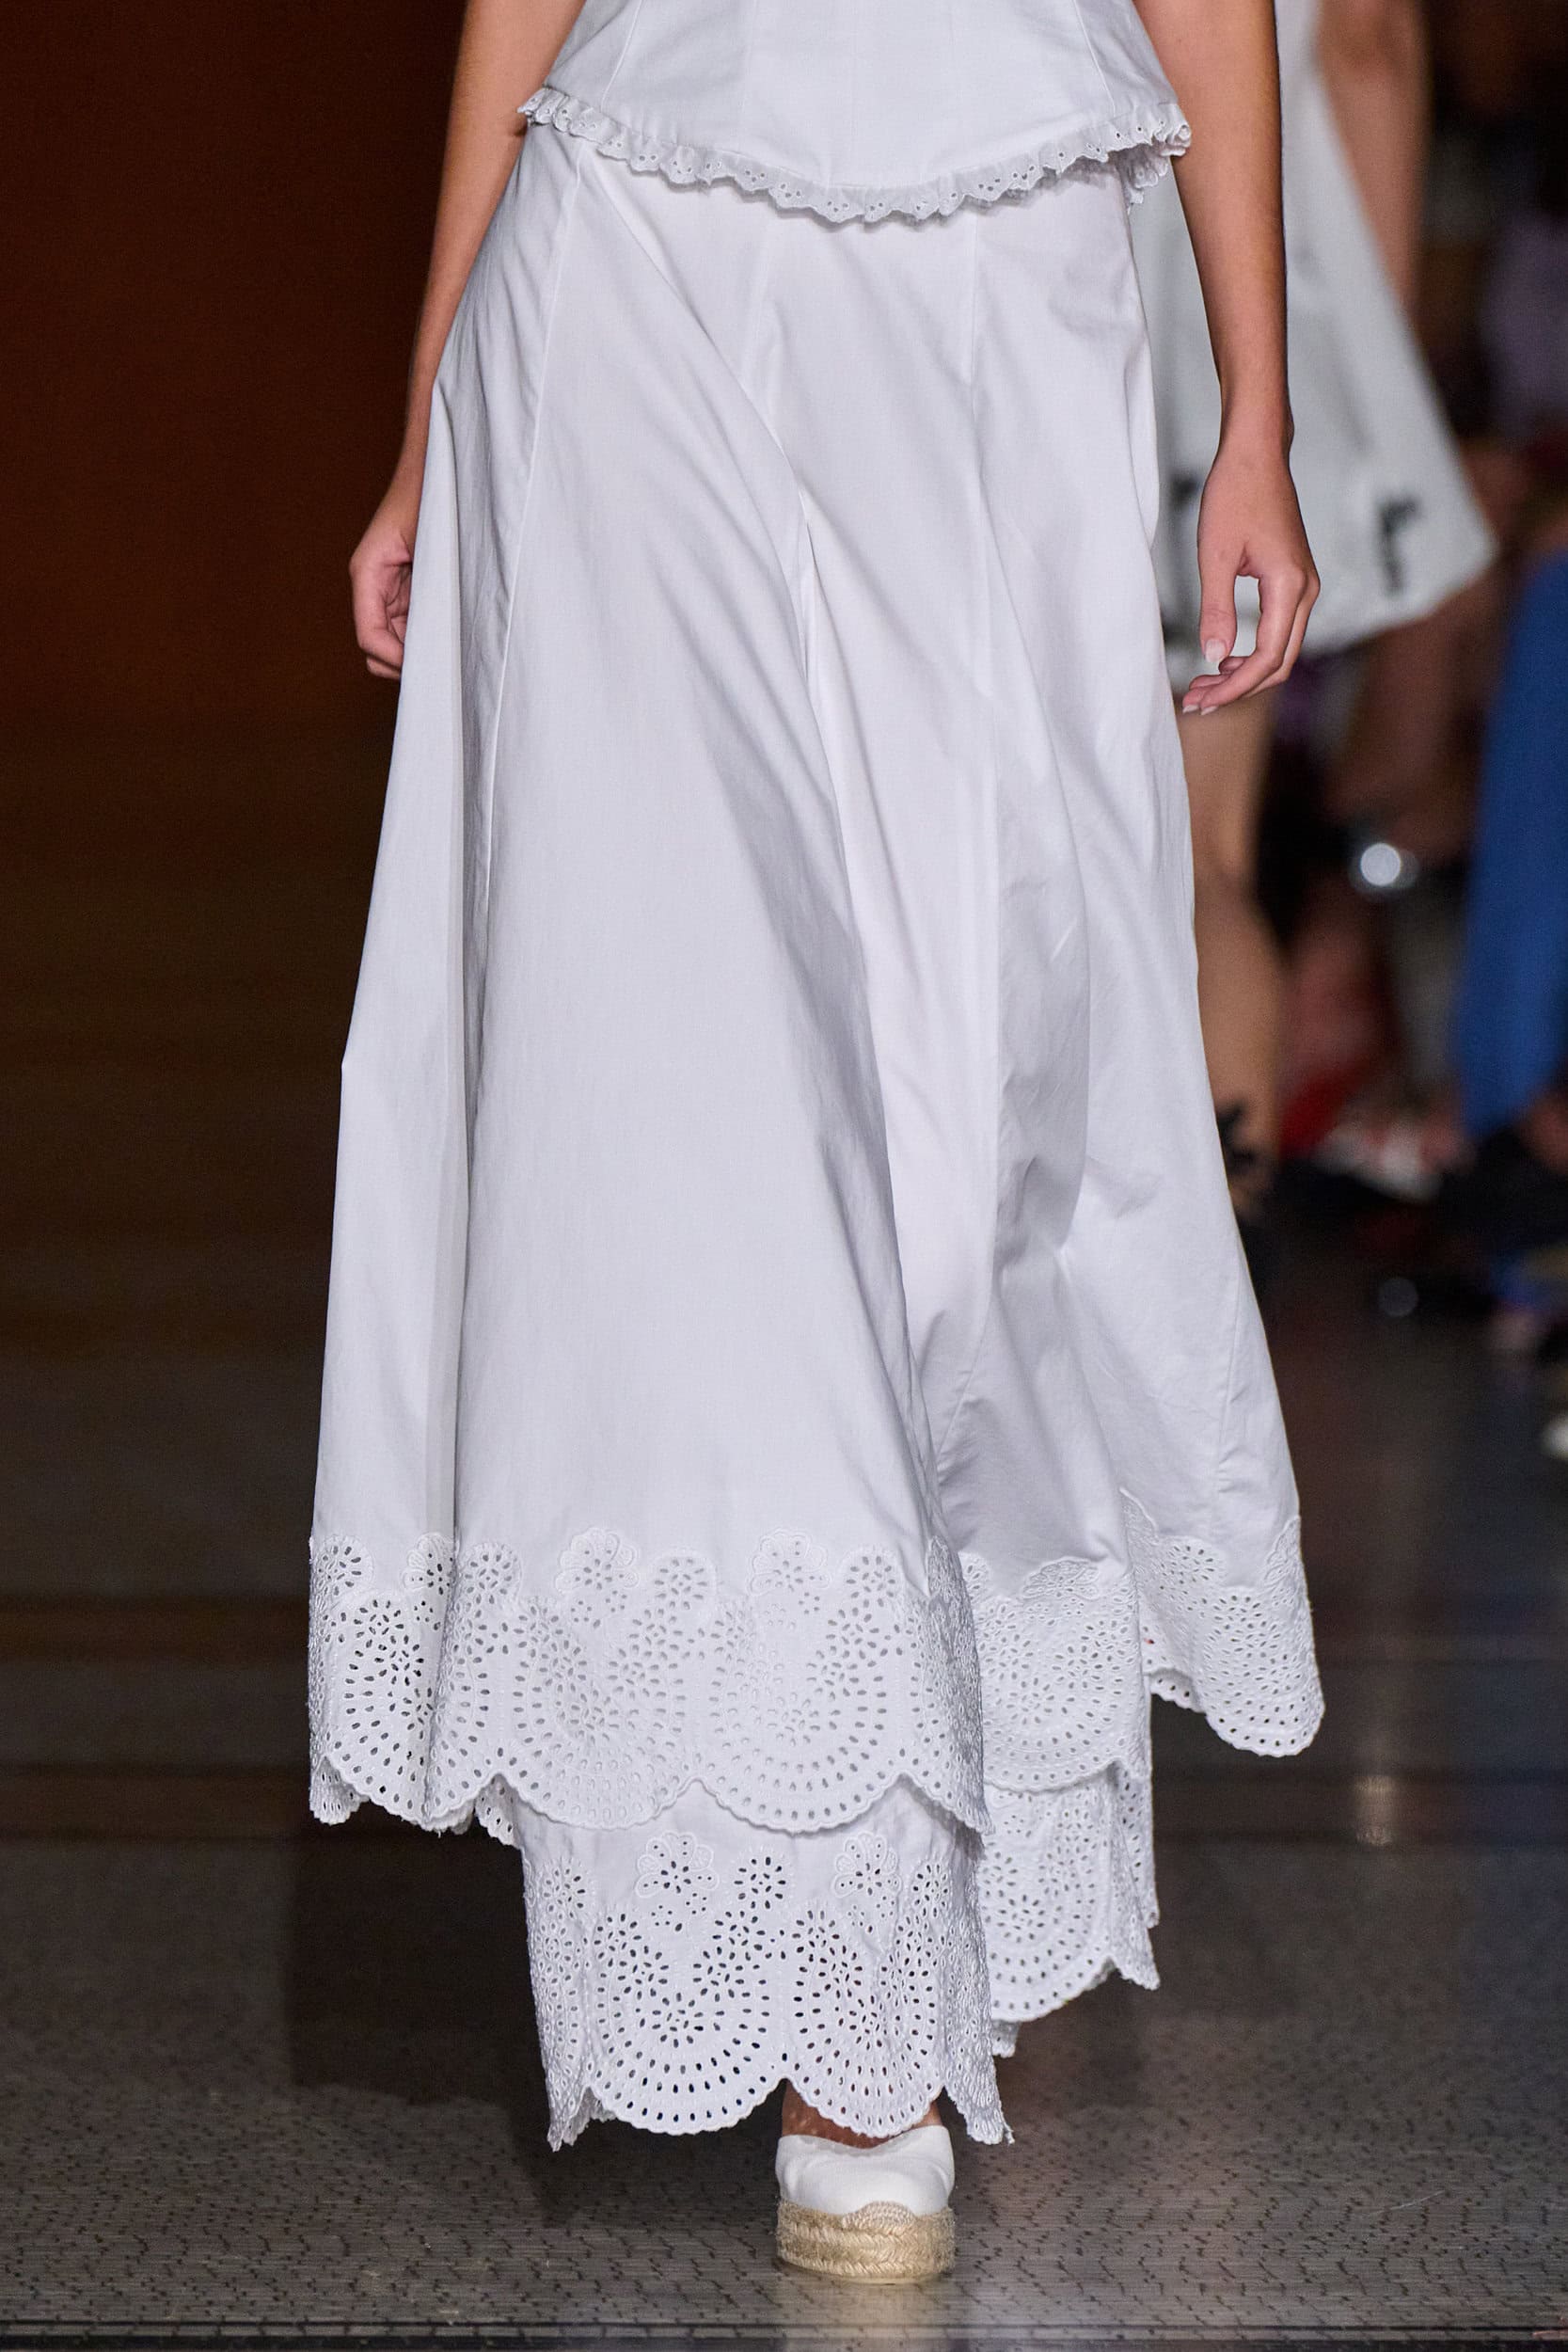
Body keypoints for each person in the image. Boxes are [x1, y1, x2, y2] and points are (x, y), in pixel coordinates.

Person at [309, 0, 1324, 2284]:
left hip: (1001, 293)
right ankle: (854, 2038)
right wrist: (427, 414)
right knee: (698, 1104)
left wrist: (1258, 405)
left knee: (969, 1141)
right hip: (634, 259)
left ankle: (907, 1848)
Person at [1133, 0, 1494, 1260]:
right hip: (1226, 297)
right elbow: (1369, 39)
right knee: (1206, 856)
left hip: (1025, 254)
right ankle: (1206, 1280)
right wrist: (1372, 352)